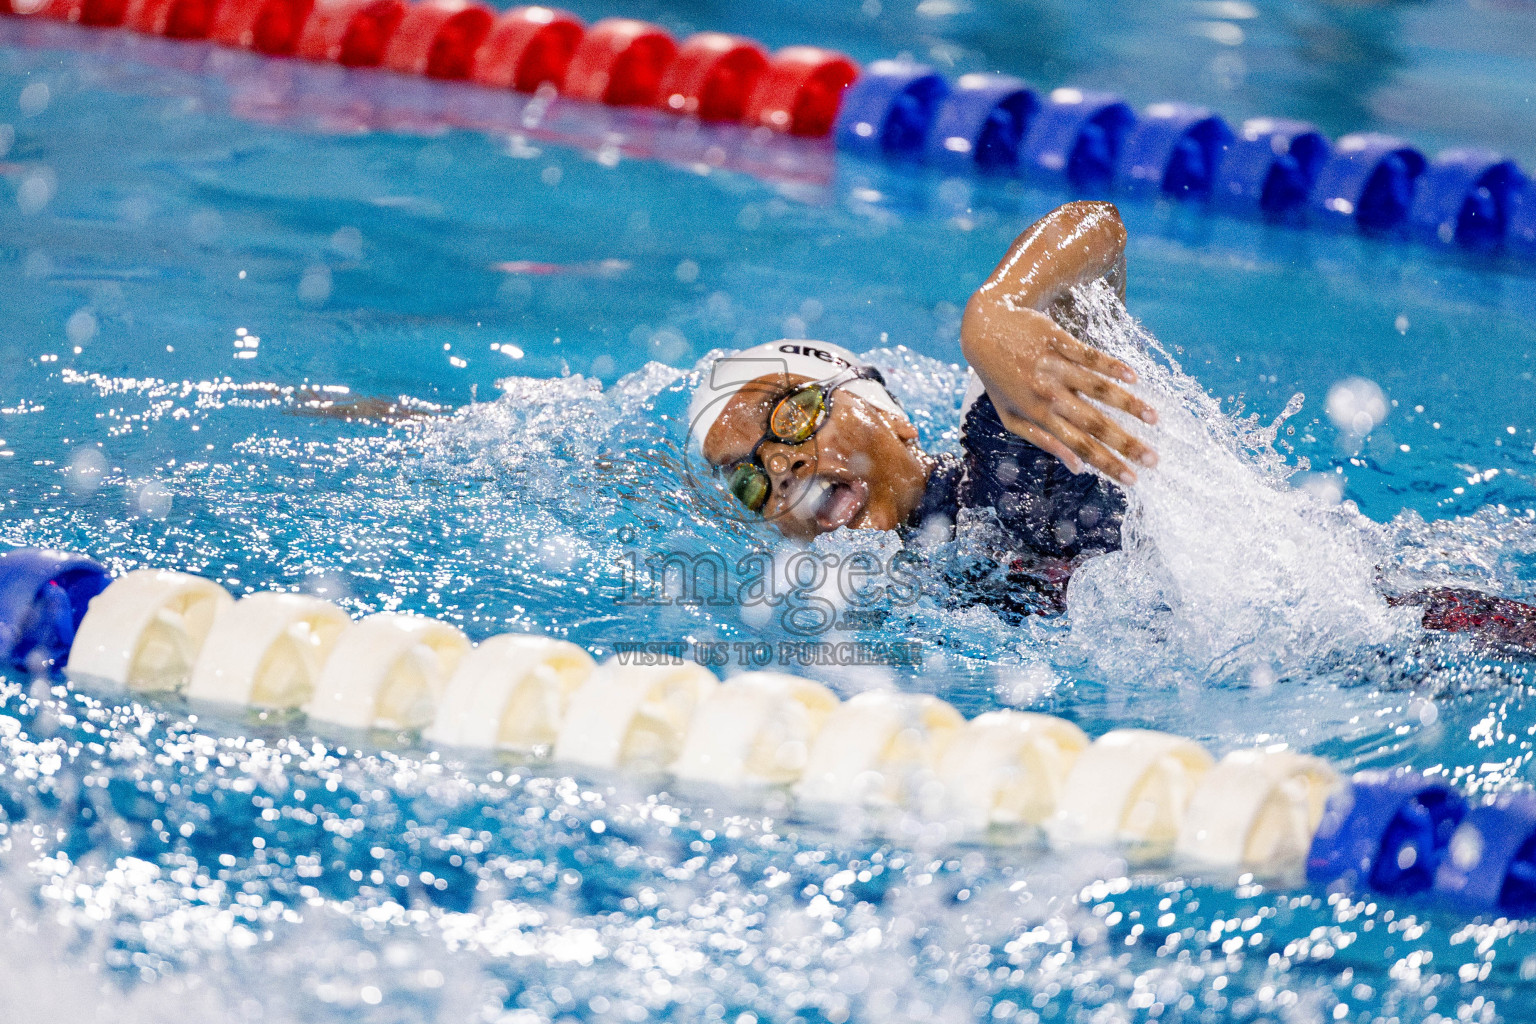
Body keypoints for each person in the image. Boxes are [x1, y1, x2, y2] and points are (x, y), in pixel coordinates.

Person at [687, 201, 1536, 650]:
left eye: (794, 413)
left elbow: (1100, 227)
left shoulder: (1011, 445)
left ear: (893, 415)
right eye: (751, 477)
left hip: (1404, 628)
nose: (785, 465)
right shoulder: (885, 598)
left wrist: (1001, 309)